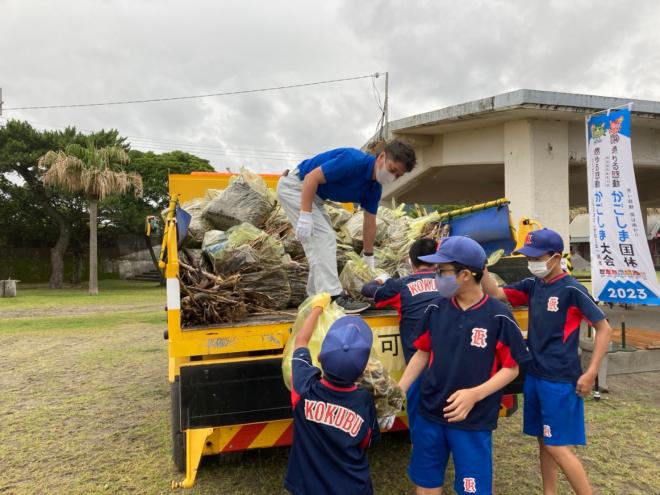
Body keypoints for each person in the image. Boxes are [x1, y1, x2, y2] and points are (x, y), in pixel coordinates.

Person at [481, 228, 612, 495]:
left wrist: (591, 373)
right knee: (544, 441)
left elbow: (605, 329)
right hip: (535, 376)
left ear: (554, 257)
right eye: (528, 257)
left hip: (560, 380)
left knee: (556, 445)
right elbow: (496, 294)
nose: (532, 263)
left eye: (536, 257)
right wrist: (480, 267)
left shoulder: (572, 289)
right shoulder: (533, 285)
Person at [399, 236, 531, 495]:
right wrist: (399, 390)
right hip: (430, 413)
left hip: (473, 420)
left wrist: (475, 394)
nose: (437, 277)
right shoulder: (436, 308)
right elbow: (422, 354)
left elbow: (511, 368)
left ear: (466, 275)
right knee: (426, 485)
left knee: (474, 489)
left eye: (442, 271)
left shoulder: (498, 316)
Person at [277, 140, 417, 313]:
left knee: (323, 243)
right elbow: (311, 178)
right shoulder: (353, 161)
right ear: (381, 157)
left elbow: (369, 222)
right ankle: (334, 297)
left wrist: (368, 256)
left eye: (398, 175)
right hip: (297, 187)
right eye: (392, 169)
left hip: (316, 198)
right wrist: (305, 216)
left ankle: (314, 298)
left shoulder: (374, 188)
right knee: (324, 239)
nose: (392, 176)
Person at [285, 293, 380, 495]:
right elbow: (367, 441)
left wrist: (317, 308)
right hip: (353, 488)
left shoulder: (304, 388)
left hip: (307, 486)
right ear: (364, 371)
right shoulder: (363, 400)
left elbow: (301, 341)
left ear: (319, 356)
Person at [361, 238, 439, 433]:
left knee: (420, 422)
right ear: (437, 261)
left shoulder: (401, 285)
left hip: (418, 369)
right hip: (450, 365)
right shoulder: (449, 283)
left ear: (410, 262)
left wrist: (381, 280)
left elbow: (368, 291)